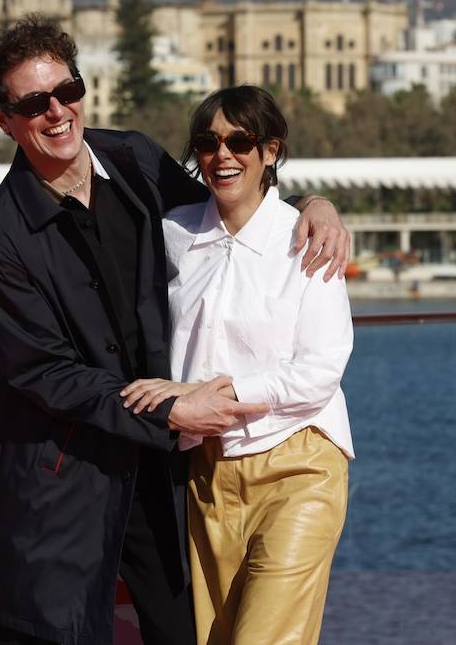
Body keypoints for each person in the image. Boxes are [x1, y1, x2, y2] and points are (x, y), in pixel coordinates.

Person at [0, 15, 351, 645]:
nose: (58, 111)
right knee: (58, 632)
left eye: (69, 90)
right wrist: (171, 410)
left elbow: (234, 201)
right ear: (2, 117)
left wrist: (314, 204)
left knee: (186, 632)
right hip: (72, 475)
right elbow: (45, 372)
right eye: (35, 102)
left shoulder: (134, 158)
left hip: (170, 471)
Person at [121, 86, 354, 645]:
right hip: (207, 475)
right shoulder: (173, 235)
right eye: (208, 142)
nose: (223, 154)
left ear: (270, 151)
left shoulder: (306, 239)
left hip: (299, 466)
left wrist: (208, 396)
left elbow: (319, 370)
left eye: (240, 141)